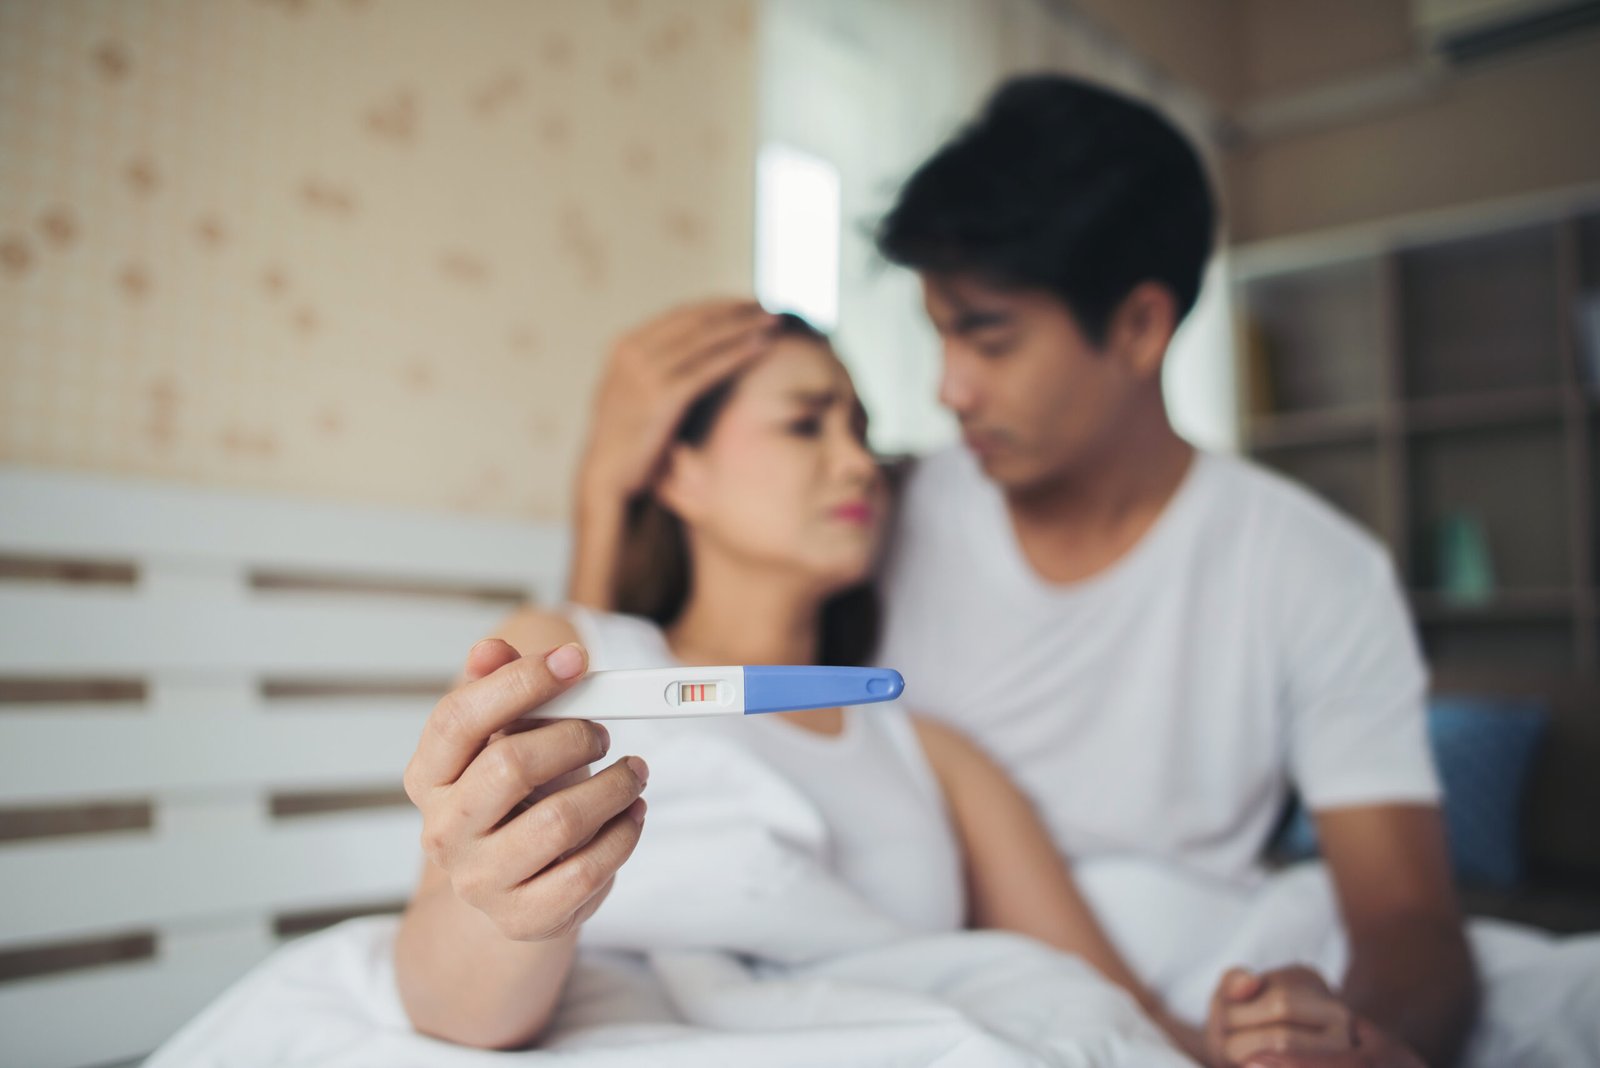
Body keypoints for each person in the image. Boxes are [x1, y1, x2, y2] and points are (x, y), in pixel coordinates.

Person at [570, 76, 1476, 1068]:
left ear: (1138, 327)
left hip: (1188, 977)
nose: (948, 388)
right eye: (938, 333)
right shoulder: (879, 510)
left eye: (988, 337)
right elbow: (656, 707)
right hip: (947, 976)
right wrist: (609, 485)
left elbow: (1407, 922)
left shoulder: (1315, 571)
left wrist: (1352, 1040)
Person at [397, 311, 1340, 1062]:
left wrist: (1249, 1032)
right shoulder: (568, 660)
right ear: (677, 472)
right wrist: (512, 902)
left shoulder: (935, 754)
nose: (858, 463)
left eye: (862, 431)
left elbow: (1113, 1009)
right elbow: (454, 1004)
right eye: (806, 423)